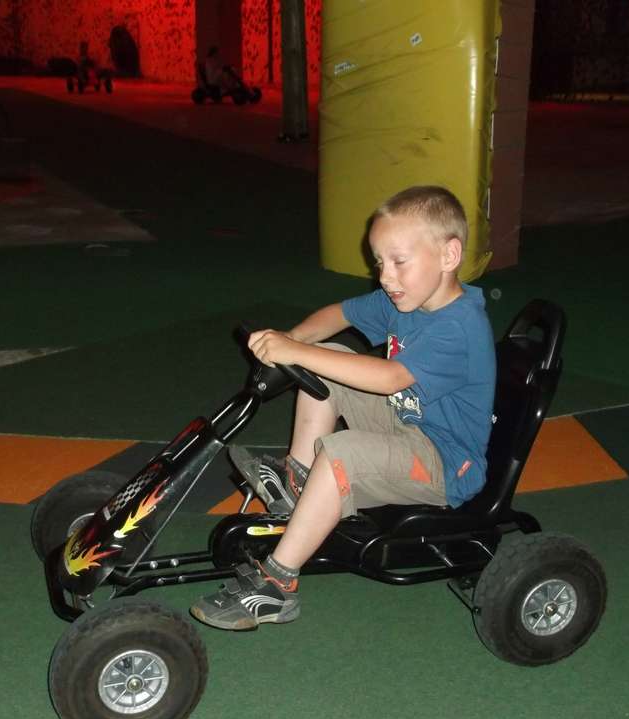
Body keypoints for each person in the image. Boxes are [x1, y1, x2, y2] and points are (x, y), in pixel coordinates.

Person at [191, 185, 496, 630]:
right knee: (332, 358)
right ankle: (297, 480)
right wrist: (292, 340)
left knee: (343, 451)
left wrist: (296, 352)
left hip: (444, 464)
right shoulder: (405, 298)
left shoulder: (460, 326)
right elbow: (341, 314)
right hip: (408, 423)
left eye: (398, 262)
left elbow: (391, 379)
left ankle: (277, 585)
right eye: (379, 262)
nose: (385, 277)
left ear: (449, 256)